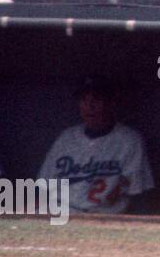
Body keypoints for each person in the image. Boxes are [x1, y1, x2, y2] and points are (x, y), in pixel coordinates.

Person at [39, 80, 153, 215]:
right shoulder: (66, 138)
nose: (89, 106)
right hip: (60, 213)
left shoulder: (129, 140)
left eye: (97, 99)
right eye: (84, 100)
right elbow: (42, 187)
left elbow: (139, 194)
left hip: (103, 218)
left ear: (111, 104)